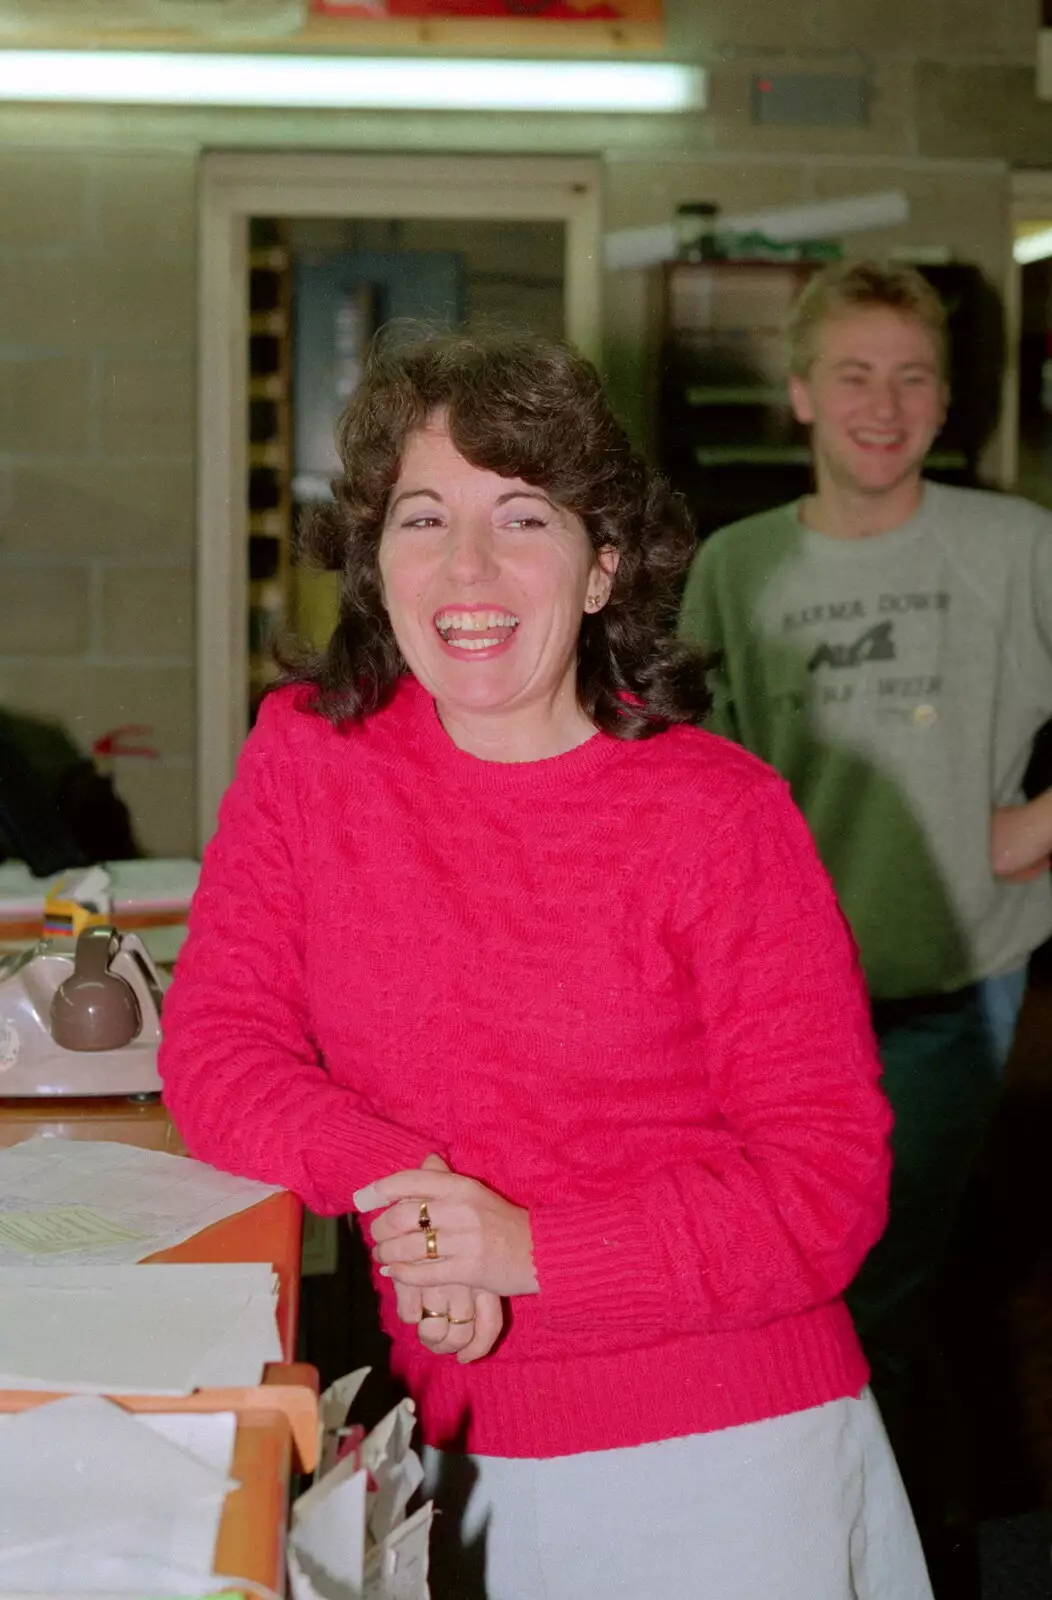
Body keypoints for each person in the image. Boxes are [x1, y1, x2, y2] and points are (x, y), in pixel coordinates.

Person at [159, 329, 930, 1599]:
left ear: (599, 568)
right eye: (423, 516)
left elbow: (824, 1184)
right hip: (440, 1441)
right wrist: (407, 1197)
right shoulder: (307, 758)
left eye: (523, 515)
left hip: (720, 1451)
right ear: (374, 559)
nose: (466, 566)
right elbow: (217, 1047)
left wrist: (527, 1252)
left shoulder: (717, 814)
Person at [678, 258, 1052, 1580]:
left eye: (911, 377)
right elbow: (689, 777)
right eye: (853, 375)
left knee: (866, 1290)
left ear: (946, 401)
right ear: (799, 393)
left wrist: (1033, 822)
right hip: (778, 1009)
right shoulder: (737, 566)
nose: (881, 405)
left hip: (953, 977)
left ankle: (900, 1554)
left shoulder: (1016, 547)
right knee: (824, 1288)